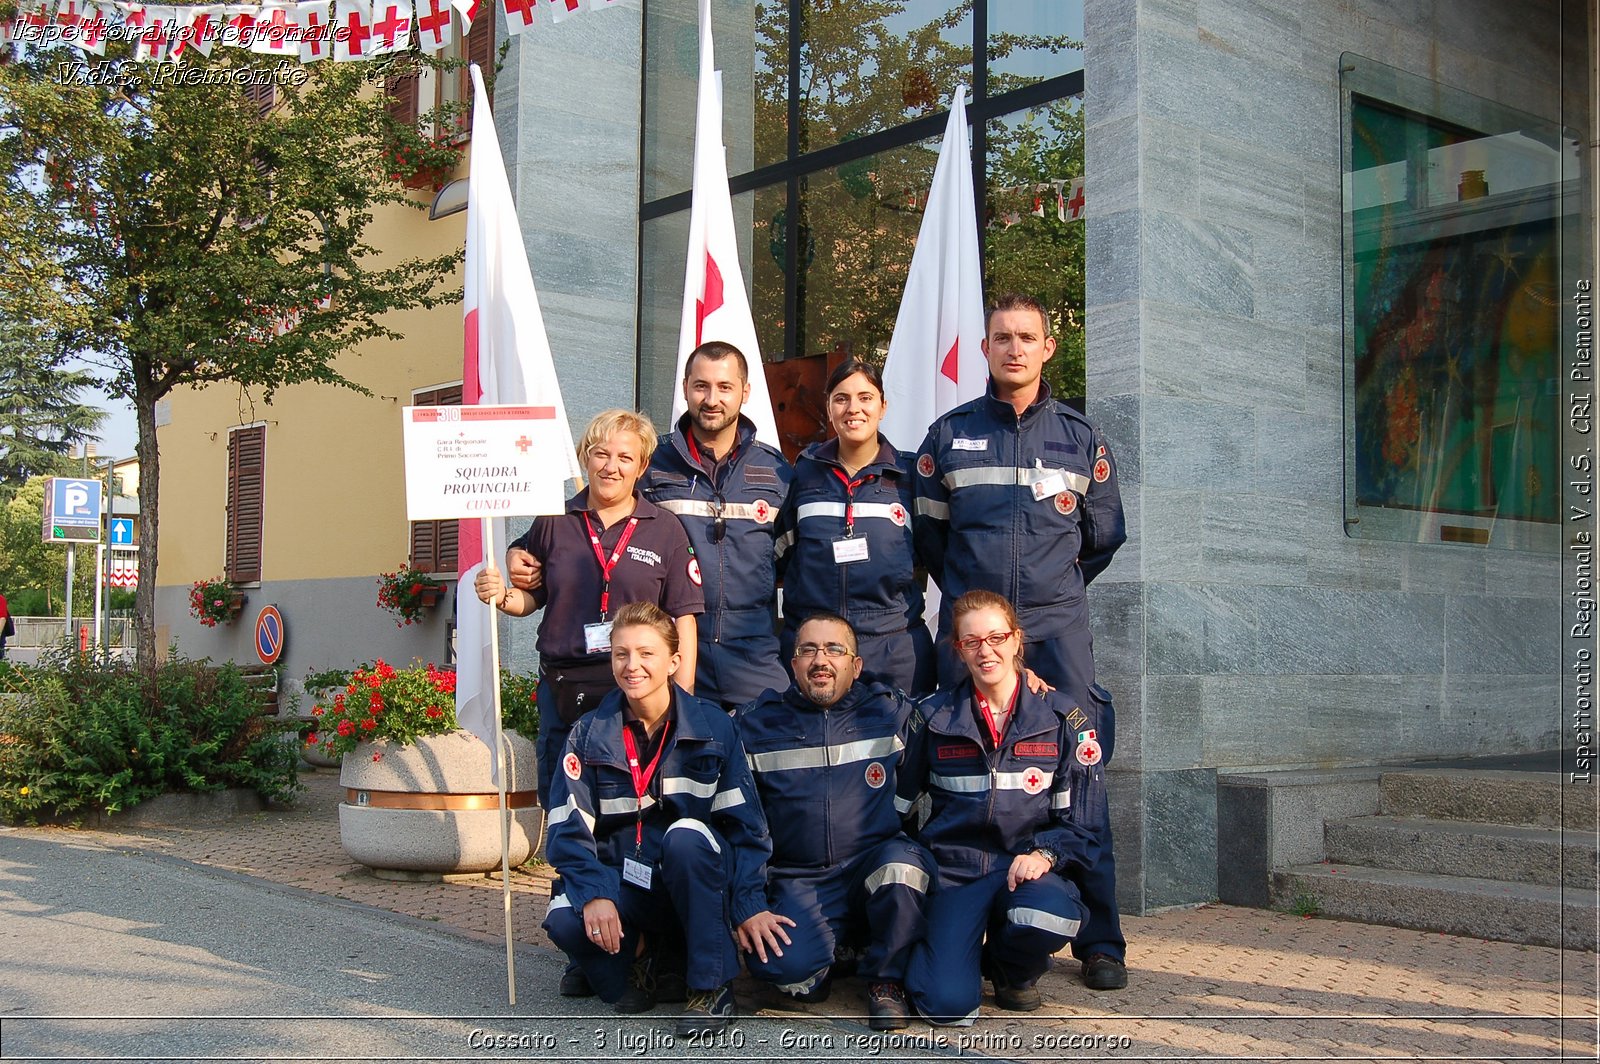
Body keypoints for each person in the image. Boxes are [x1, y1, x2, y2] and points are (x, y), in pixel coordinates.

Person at [911, 292, 1129, 990]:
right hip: (972, 631)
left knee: (1080, 764)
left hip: (1057, 627)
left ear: (1047, 348)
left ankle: (1100, 941)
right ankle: (952, 921)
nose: (1013, 348)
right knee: (954, 764)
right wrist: (977, 609)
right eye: (1001, 336)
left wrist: (1050, 596)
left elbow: (1101, 539)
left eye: (1026, 337)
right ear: (985, 349)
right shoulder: (948, 435)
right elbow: (930, 538)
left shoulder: (1080, 437)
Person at [541, 601, 786, 1036]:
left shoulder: (713, 727)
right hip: (625, 882)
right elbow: (566, 832)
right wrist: (596, 892)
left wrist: (750, 903)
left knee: (686, 836)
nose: (632, 666)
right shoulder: (587, 733)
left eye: (646, 653)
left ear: (674, 661)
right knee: (563, 918)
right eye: (621, 654)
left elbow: (747, 829)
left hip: (692, 882)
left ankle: (710, 985)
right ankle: (642, 955)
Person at [508, 342, 792, 711]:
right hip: (664, 652)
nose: (712, 399)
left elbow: (793, 562)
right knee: (672, 766)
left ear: (745, 392)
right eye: (701, 386)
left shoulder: (776, 471)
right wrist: (517, 550)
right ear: (686, 387)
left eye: (725, 387)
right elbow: (590, 520)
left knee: (762, 759)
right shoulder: (649, 461)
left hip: (751, 651)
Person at [476, 409, 702, 816]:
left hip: (634, 688)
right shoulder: (554, 520)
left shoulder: (664, 529)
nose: (611, 467)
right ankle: (569, 877)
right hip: (563, 685)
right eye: (600, 454)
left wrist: (680, 698)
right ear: (585, 457)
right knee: (563, 801)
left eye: (624, 458)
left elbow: (683, 618)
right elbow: (533, 598)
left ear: (642, 466)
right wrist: (502, 597)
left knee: (630, 802)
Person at [898, 591, 1108, 1025]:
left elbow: (1085, 825)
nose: (985, 650)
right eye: (971, 641)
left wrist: (1045, 854)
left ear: (1017, 640)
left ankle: (1012, 970)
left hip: (1024, 868)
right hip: (955, 872)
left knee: (1050, 917)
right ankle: (949, 951)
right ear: (958, 649)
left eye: (996, 637)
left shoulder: (1061, 718)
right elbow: (896, 807)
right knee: (947, 1007)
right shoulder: (933, 717)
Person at [735, 612, 935, 1031]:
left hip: (871, 863)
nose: (820, 659)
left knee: (903, 869)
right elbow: (742, 827)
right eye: (808, 649)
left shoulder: (889, 712)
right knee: (782, 968)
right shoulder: (756, 724)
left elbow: (946, 724)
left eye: (833, 650)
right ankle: (837, 953)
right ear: (792, 664)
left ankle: (885, 980)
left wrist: (1025, 680)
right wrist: (750, 902)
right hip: (800, 878)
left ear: (855, 665)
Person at [774, 360, 934, 696]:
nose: (854, 409)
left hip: (893, 649)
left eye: (865, 397)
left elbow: (935, 551)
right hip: (816, 649)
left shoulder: (909, 478)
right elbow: (782, 556)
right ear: (829, 406)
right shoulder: (802, 476)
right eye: (841, 398)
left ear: (883, 406)